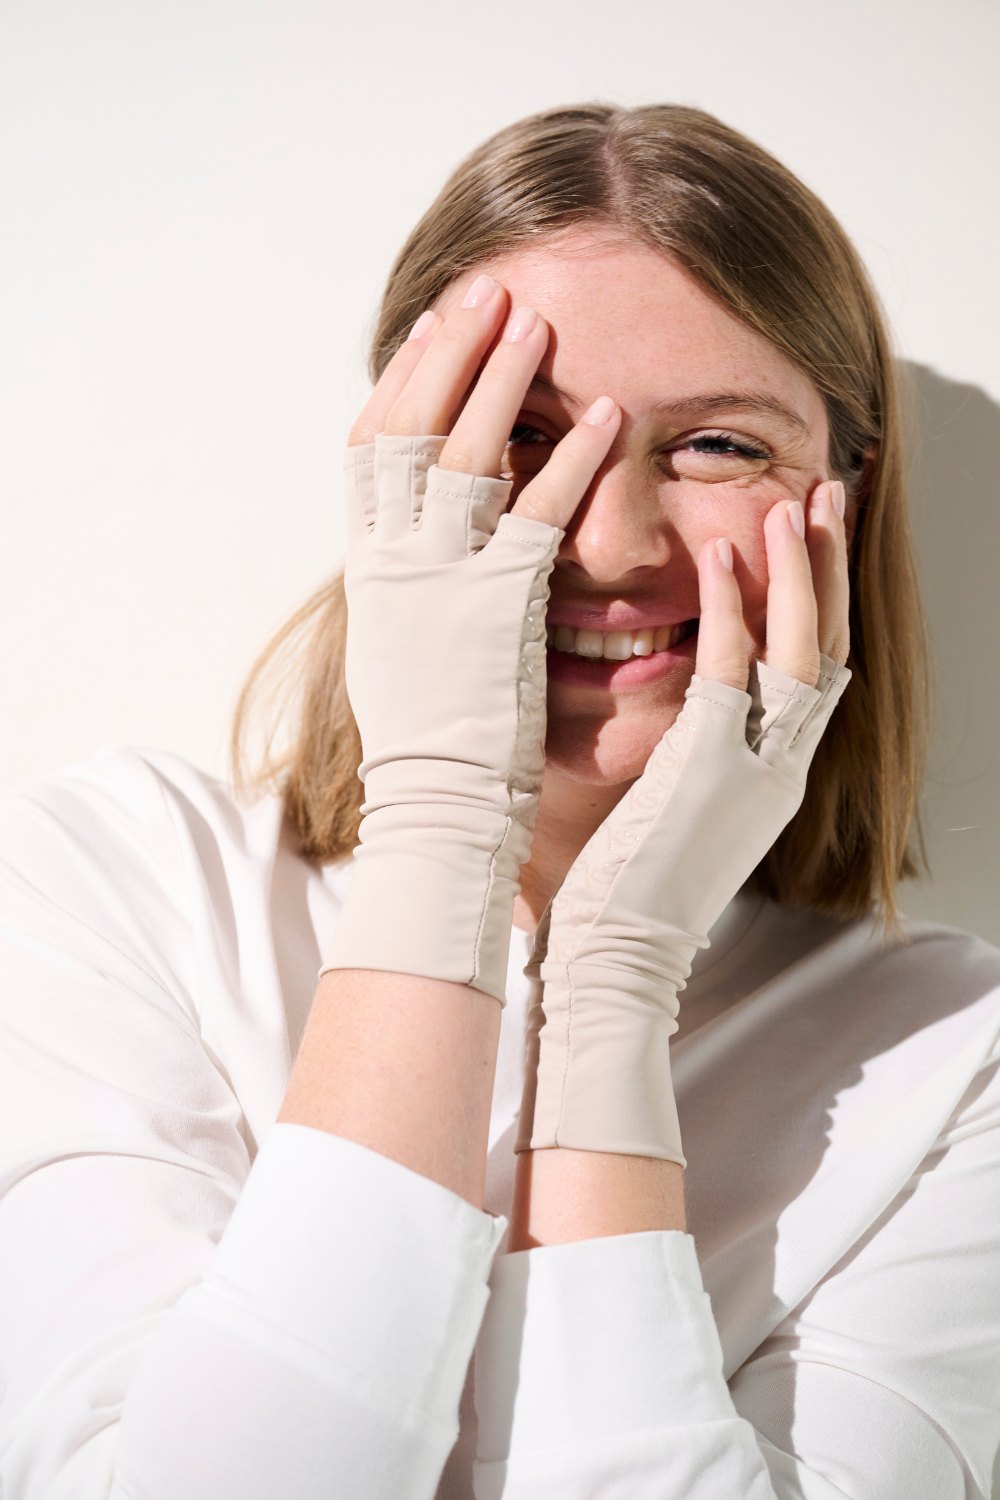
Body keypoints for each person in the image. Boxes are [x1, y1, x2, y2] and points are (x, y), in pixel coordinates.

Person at [1, 100, 998, 1500]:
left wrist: (616, 977)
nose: (609, 542)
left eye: (719, 446)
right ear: (394, 458)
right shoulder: (109, 882)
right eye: (522, 430)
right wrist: (443, 822)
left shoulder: (959, 1057)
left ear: (846, 499)